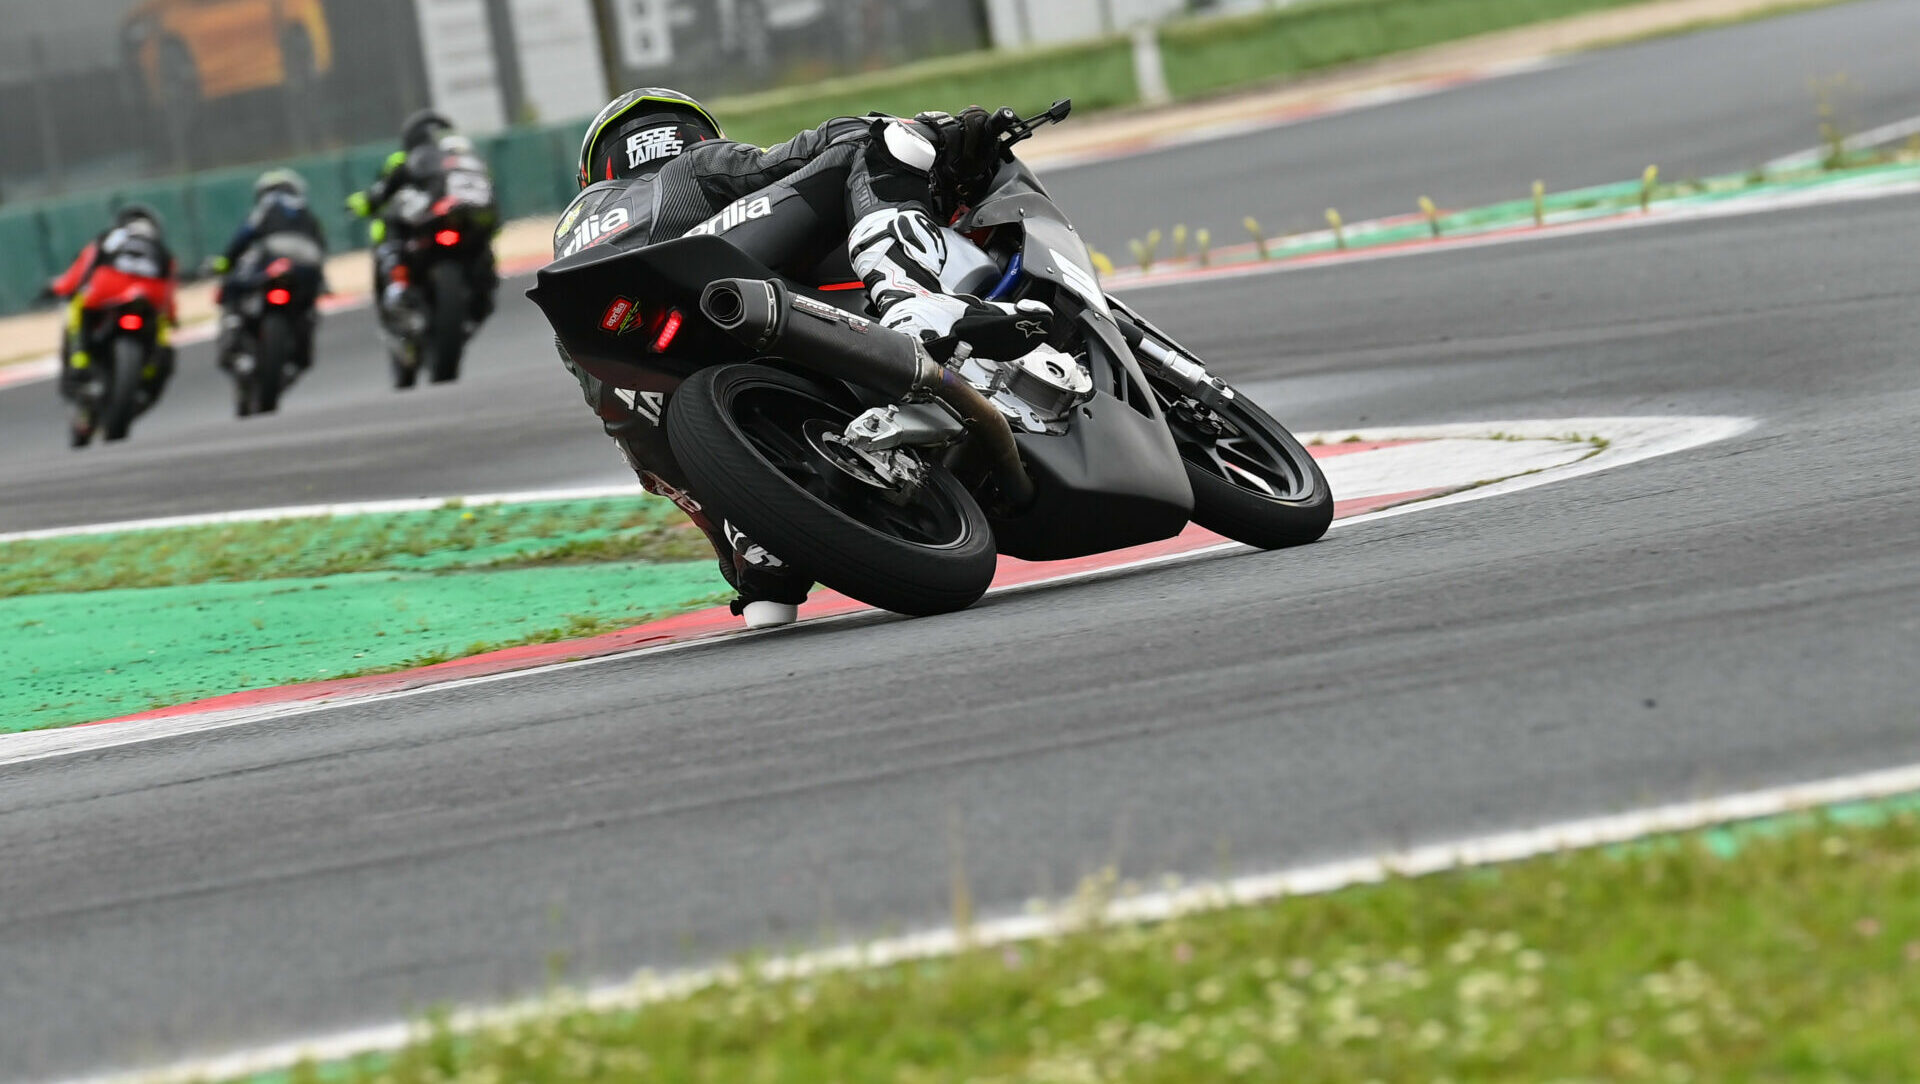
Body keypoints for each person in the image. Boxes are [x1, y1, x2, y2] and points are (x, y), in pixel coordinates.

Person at [552, 89, 1053, 628]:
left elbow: (641, 448)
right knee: (874, 143)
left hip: (621, 366)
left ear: (593, 170)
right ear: (695, 134)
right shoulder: (693, 167)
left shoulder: (569, 236)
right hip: (702, 271)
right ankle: (912, 299)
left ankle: (757, 562)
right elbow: (809, 151)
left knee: (636, 432)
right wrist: (933, 132)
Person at [347, 109, 501, 328]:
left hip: (443, 223)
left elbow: (383, 190)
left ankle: (398, 284)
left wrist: (365, 204)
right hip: (467, 224)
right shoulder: (471, 158)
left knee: (393, 216)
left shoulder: (411, 159)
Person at [45, 204, 179, 440]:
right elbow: (169, 296)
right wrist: (172, 318)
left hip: (108, 290)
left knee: (78, 303)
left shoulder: (108, 238)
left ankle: (79, 360)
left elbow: (81, 271)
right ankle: (150, 373)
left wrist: (59, 287)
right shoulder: (164, 252)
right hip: (149, 297)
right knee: (162, 331)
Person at [212, 168, 329, 373]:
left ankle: (232, 323)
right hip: (308, 261)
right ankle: (304, 345)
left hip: (275, 252)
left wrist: (226, 260)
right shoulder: (305, 210)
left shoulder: (267, 204)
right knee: (308, 306)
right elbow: (321, 245)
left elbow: (245, 233)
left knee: (236, 279)